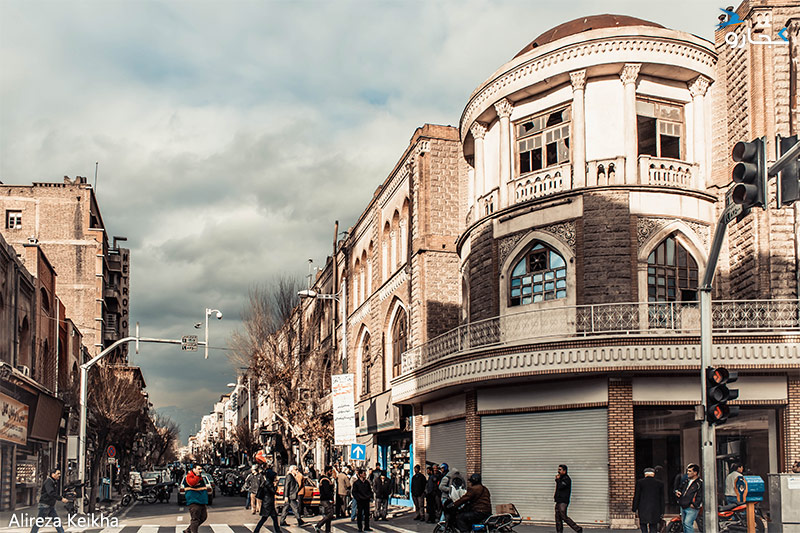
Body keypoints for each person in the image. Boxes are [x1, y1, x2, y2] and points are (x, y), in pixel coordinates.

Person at [30, 469, 69, 533]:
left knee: (56, 520)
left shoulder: (52, 481)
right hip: (45, 505)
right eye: (58, 473)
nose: (59, 475)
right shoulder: (49, 482)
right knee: (39, 521)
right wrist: (61, 498)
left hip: (49, 505)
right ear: (53, 474)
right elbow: (51, 492)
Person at [632, 468, 664, 533]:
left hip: (643, 507)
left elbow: (637, 496)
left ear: (645, 474)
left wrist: (634, 508)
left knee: (643, 524)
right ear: (653, 474)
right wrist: (662, 510)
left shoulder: (640, 482)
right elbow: (662, 498)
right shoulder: (660, 483)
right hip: (655, 508)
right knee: (653, 526)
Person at [675, 464, 703, 533]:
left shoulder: (699, 483)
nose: (688, 472)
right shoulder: (686, 481)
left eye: (690, 471)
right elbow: (680, 489)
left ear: (695, 472)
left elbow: (701, 495)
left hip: (691, 506)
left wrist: (695, 504)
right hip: (683, 505)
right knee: (684, 524)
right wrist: (678, 493)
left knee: (687, 524)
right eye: (687, 471)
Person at [554, 464, 583, 533]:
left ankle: (578, 529)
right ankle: (559, 531)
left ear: (564, 471)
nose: (558, 471)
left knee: (564, 516)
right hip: (558, 500)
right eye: (558, 469)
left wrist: (557, 480)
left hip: (563, 501)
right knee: (558, 518)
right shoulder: (560, 479)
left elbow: (561, 486)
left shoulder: (566, 479)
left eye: (560, 470)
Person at [182, 465, 209, 533]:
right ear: (194, 469)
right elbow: (192, 483)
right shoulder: (189, 476)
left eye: (201, 469)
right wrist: (197, 476)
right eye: (199, 469)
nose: (200, 471)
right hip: (194, 501)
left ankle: (188, 530)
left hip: (201, 501)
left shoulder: (200, 477)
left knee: (203, 517)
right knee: (195, 519)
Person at [314, 466, 336, 533]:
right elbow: (327, 491)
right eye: (330, 471)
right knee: (330, 514)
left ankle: (328, 530)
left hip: (326, 499)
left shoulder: (326, 479)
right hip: (325, 499)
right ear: (327, 471)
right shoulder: (325, 480)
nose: (331, 472)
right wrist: (330, 498)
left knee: (328, 515)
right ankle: (318, 525)